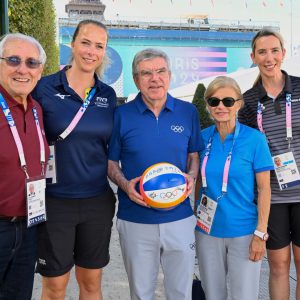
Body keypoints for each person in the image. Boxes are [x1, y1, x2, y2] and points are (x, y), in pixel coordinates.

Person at [108, 48, 204, 300]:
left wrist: (192, 177)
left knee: (181, 292)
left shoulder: (188, 112)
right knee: (141, 293)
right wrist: (125, 184)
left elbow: (194, 155)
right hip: (135, 219)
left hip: (180, 217)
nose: (154, 78)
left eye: (160, 71)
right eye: (146, 73)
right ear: (136, 79)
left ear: (170, 75)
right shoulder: (121, 114)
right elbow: (110, 162)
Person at [32, 20, 117, 299]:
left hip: (97, 201)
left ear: (104, 51)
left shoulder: (108, 95)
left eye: (99, 45)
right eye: (85, 42)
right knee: (55, 287)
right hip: (54, 202)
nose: (91, 51)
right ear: (73, 43)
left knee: (91, 284)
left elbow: (113, 148)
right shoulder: (43, 88)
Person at [195, 76, 273, 300]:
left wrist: (260, 233)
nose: (221, 106)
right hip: (207, 231)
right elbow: (199, 181)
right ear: (208, 105)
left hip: (244, 233)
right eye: (214, 101)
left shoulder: (254, 139)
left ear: (238, 103)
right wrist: (195, 216)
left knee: (244, 296)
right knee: (213, 295)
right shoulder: (202, 139)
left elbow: (265, 189)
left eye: (228, 101)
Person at [239, 29, 300, 300]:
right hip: (271, 197)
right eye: (262, 52)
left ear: (283, 54)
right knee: (279, 266)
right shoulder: (248, 101)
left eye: (274, 50)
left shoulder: (299, 87)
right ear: (253, 57)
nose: (269, 57)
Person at [0, 33, 49, 299]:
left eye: (31, 63)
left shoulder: (36, 109)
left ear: (40, 71)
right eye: (13, 60)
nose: (22, 69)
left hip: (29, 227)